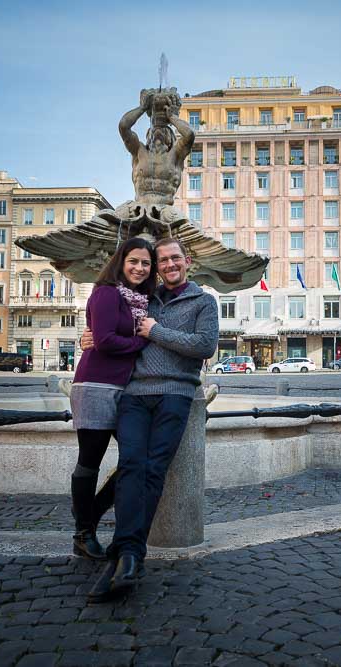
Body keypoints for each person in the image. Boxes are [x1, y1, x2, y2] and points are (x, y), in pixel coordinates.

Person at [84, 237, 218, 601]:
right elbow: (108, 330)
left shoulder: (204, 301)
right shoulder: (142, 298)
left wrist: (155, 331)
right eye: (163, 261)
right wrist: (89, 338)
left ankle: (126, 553)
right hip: (134, 395)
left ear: (186, 261)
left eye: (175, 258)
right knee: (131, 466)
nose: (169, 265)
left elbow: (205, 346)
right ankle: (128, 554)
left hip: (175, 394)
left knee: (154, 469)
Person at [69, 238, 156, 560]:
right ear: (121, 262)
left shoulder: (144, 301)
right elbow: (104, 342)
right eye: (133, 261)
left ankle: (89, 516)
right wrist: (145, 341)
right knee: (89, 461)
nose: (139, 268)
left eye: (146, 263)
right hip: (95, 385)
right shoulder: (107, 292)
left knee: (139, 458)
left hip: (127, 390)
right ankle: (83, 533)